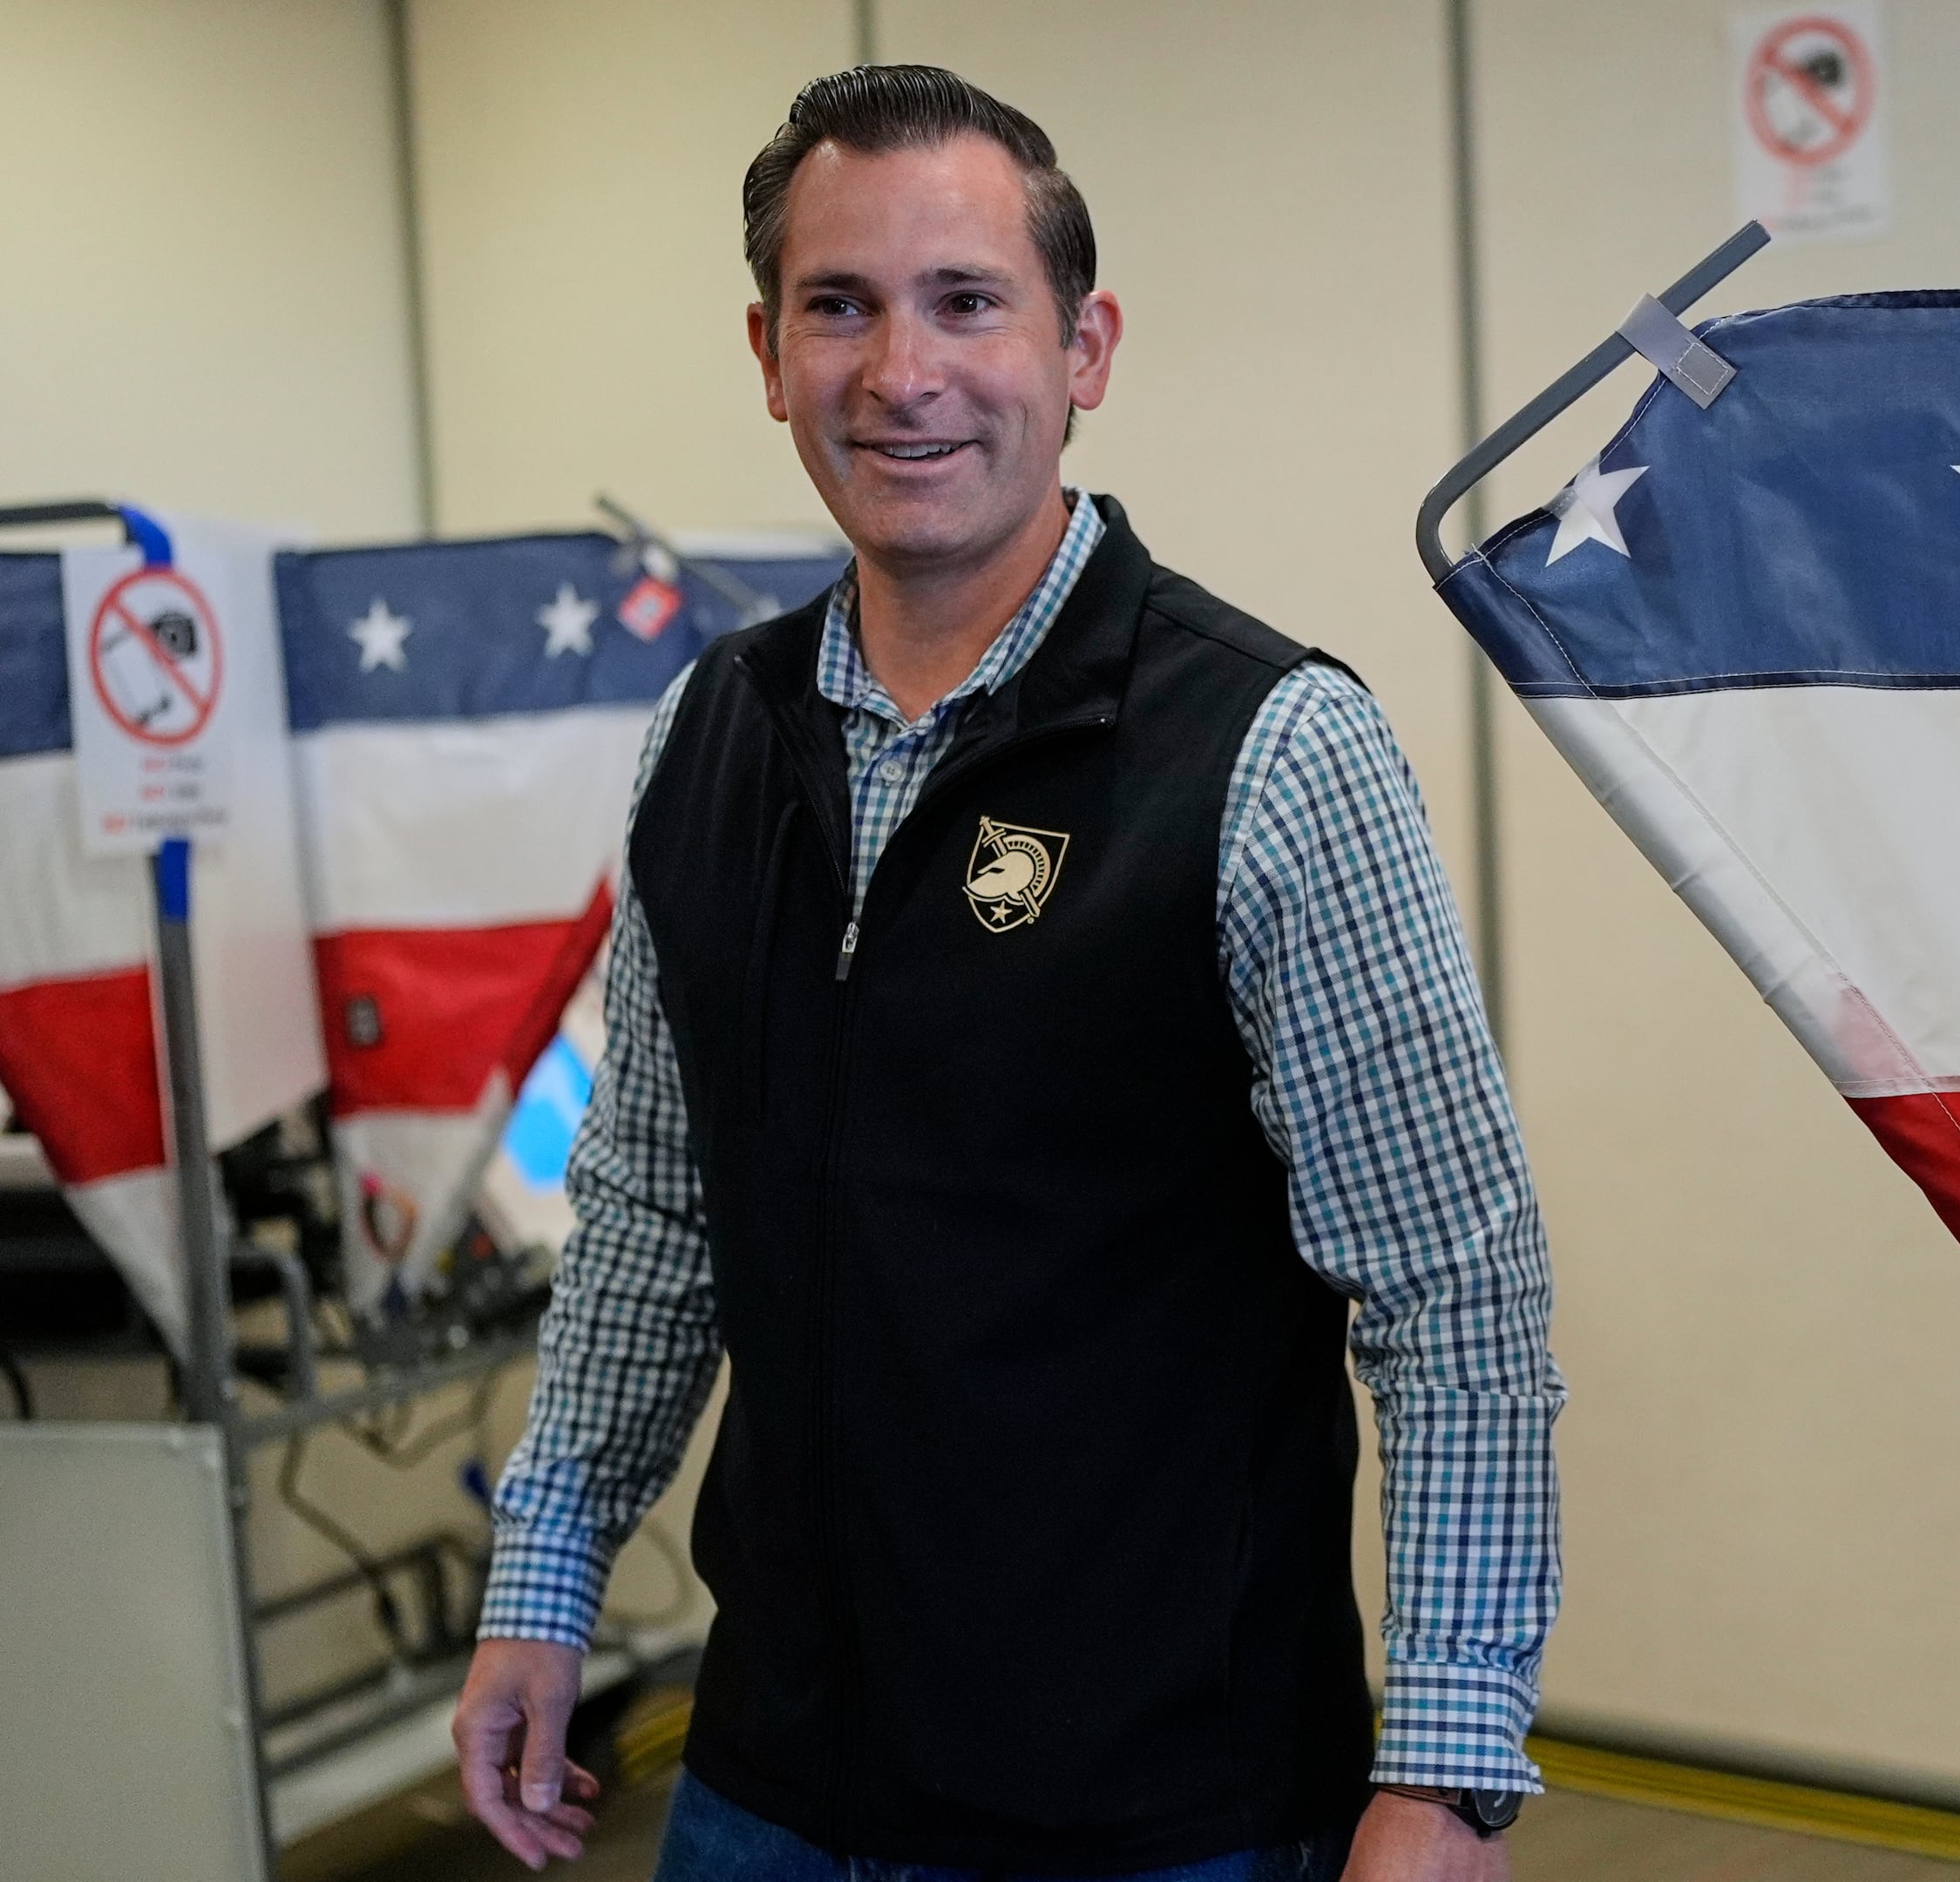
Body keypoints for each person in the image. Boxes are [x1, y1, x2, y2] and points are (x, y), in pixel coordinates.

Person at [450, 64, 1562, 1882]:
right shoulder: (706, 738)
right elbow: (653, 1205)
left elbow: (1455, 1298)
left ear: (1085, 345)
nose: (903, 374)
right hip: (769, 1793)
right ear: (766, 349)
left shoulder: (1272, 753)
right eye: (842, 307)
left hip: (1158, 1817)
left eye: (968, 301)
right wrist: (547, 1575)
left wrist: (1442, 1776)